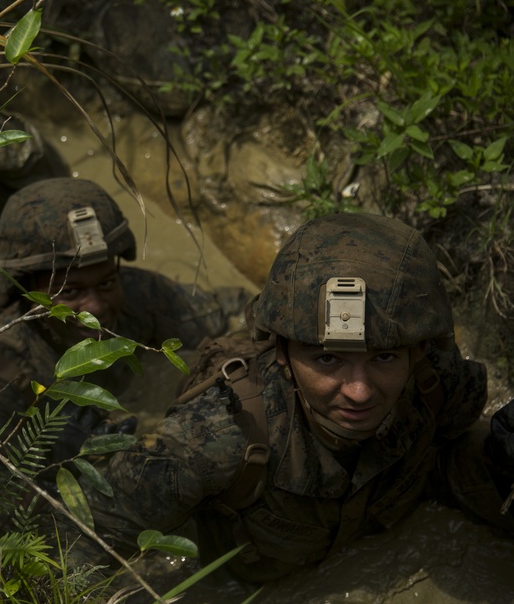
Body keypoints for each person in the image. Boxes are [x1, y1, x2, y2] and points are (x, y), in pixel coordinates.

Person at [68, 211, 514, 582]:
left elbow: (451, 456)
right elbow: (83, 533)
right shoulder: (216, 437)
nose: (359, 392)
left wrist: (499, 458)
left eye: (384, 359)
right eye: (327, 361)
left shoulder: (436, 382)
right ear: (281, 352)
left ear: (416, 353)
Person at [0, 177, 250, 464]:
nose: (94, 307)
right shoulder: (1, 368)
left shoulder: (138, 293)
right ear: (28, 291)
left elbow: (232, 313)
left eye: (106, 283)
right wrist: (65, 452)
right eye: (70, 291)